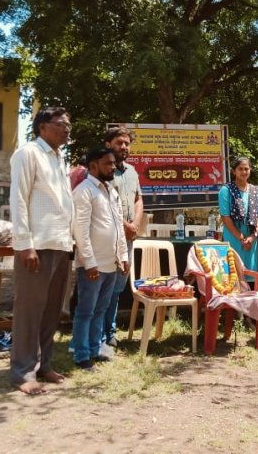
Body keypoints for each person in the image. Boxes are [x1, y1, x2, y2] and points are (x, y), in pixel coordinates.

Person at [9, 107, 75, 395]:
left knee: (52, 310)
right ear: (43, 127)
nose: (67, 129)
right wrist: (25, 244)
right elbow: (19, 199)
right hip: (36, 245)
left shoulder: (60, 158)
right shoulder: (28, 154)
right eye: (61, 124)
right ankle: (23, 372)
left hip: (60, 244)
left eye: (68, 124)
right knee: (29, 310)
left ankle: (44, 364)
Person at [71, 147, 129, 372]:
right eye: (107, 163)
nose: (112, 167)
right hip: (93, 266)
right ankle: (81, 354)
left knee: (101, 310)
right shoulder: (84, 191)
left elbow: (118, 228)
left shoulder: (110, 190)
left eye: (113, 163)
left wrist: (123, 256)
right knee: (85, 310)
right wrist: (89, 262)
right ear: (93, 165)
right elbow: (80, 231)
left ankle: (95, 348)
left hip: (111, 264)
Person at [102, 126, 143, 348]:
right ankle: (99, 334)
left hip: (127, 239)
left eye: (127, 143)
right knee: (104, 286)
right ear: (109, 144)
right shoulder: (102, 169)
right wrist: (125, 225)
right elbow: (103, 203)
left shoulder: (132, 171)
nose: (124, 147)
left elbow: (138, 200)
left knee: (118, 286)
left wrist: (135, 224)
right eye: (120, 143)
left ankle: (110, 332)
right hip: (107, 238)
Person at [218, 156, 258, 272]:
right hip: (234, 238)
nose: (244, 172)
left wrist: (253, 237)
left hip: (251, 240)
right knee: (234, 275)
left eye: (246, 169)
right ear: (234, 171)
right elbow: (225, 217)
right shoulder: (226, 190)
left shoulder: (255, 190)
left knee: (250, 275)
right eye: (240, 169)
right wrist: (241, 238)